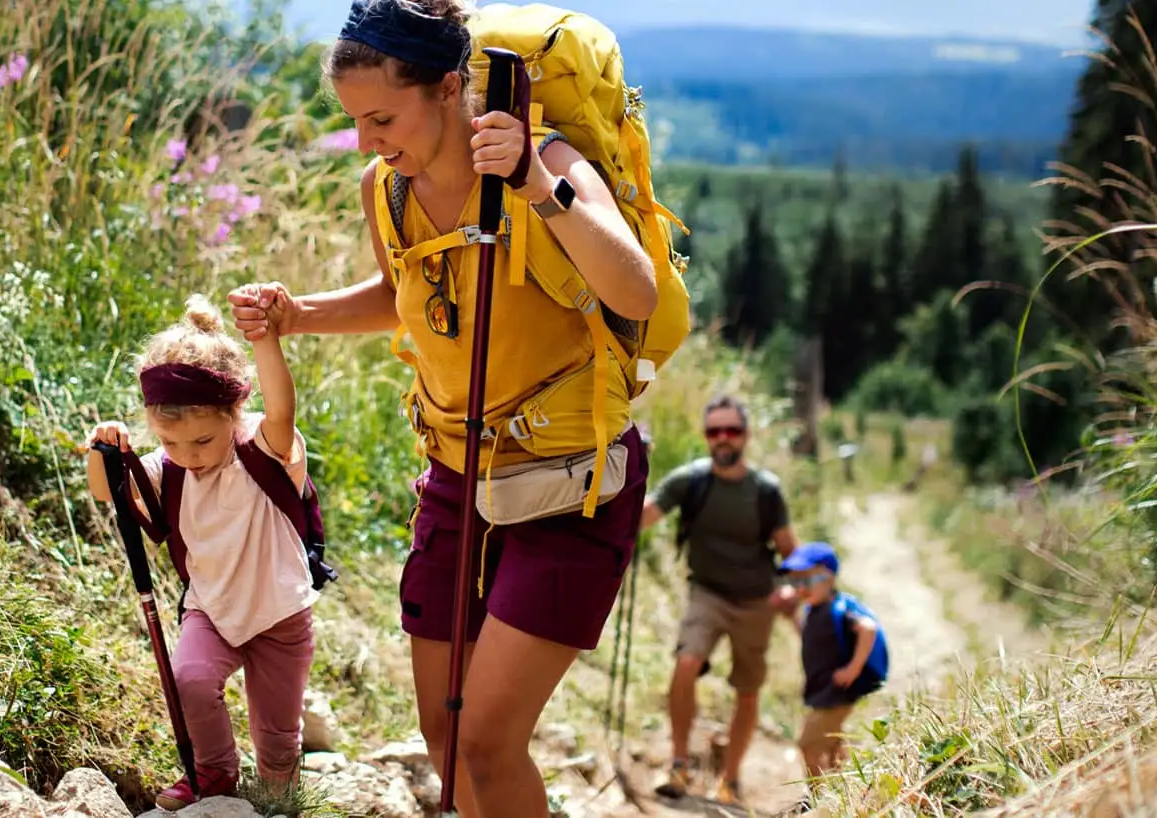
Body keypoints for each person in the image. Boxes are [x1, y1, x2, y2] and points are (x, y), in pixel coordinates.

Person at [225, 0, 661, 812]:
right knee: (445, 739)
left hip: (570, 479)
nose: (366, 139)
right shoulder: (384, 189)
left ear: (450, 87)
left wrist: (536, 183)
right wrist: (300, 314)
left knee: (490, 742)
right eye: (355, 120)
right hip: (456, 476)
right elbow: (406, 293)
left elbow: (634, 290)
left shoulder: (547, 159)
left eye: (382, 116)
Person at [84, 296, 319, 810]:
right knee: (190, 678)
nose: (189, 455)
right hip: (211, 607)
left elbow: (282, 408)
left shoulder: (262, 447)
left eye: (203, 440)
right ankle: (214, 776)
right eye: (170, 441)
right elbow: (107, 492)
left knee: (278, 735)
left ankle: (281, 796)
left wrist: (265, 339)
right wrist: (100, 449)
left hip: (280, 612)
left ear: (235, 414)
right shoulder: (166, 470)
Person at [637, 395, 800, 804]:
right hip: (706, 592)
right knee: (686, 663)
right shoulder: (689, 481)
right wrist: (627, 473)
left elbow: (790, 552)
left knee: (747, 690)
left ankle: (730, 779)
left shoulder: (765, 491)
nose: (723, 439)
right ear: (706, 436)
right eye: (715, 431)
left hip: (756, 602)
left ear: (746, 435)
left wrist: (793, 590)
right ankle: (679, 766)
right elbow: (642, 516)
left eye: (732, 430)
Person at [772, 542, 888, 780]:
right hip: (824, 689)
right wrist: (792, 617)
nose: (800, 589)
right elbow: (809, 639)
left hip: (838, 691)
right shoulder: (813, 612)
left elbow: (868, 629)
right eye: (795, 583)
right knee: (833, 741)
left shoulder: (839, 609)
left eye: (806, 581)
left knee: (808, 743)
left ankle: (818, 793)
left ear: (829, 578)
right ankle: (842, 785)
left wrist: (852, 669)